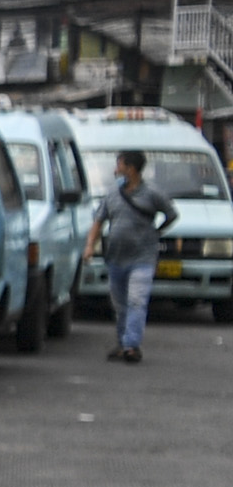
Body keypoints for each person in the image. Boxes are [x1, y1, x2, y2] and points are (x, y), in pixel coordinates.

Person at [86, 145, 175, 363]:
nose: (116, 169)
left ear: (131, 168)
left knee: (136, 300)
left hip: (142, 258)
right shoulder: (112, 194)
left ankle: (131, 345)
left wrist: (156, 232)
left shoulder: (152, 194)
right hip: (116, 258)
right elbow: (99, 221)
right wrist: (90, 245)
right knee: (120, 304)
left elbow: (171, 214)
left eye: (120, 164)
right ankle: (123, 342)